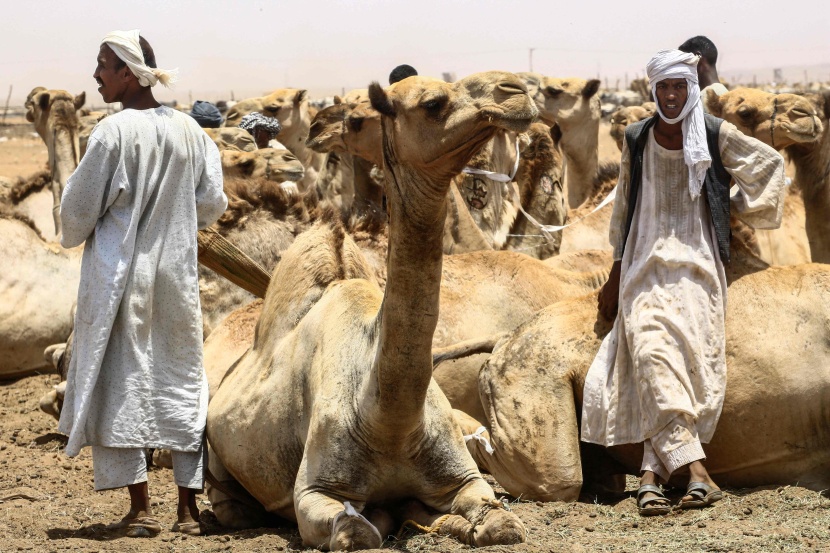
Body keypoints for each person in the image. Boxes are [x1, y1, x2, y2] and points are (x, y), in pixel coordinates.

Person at [580, 50, 786, 516]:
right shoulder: (637, 137)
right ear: (652, 91)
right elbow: (624, 209)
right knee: (650, 346)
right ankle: (695, 471)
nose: (671, 96)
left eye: (678, 87)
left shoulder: (713, 134)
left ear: (689, 89)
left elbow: (770, 169)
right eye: (663, 88)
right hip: (643, 259)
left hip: (698, 259)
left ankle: (652, 474)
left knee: (689, 350)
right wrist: (616, 273)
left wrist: (726, 206)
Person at [58, 30, 227, 538]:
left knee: (126, 381)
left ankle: (140, 508)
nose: (95, 75)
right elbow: (212, 204)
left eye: (103, 66)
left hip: (121, 283)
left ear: (127, 72)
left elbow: (75, 216)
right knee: (180, 377)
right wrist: (171, 219)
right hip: (176, 278)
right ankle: (188, 510)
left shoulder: (112, 134)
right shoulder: (192, 132)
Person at [678, 36, 727, 110]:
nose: (680, 70)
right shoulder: (727, 96)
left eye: (683, 63)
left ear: (697, 58)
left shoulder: (700, 102)